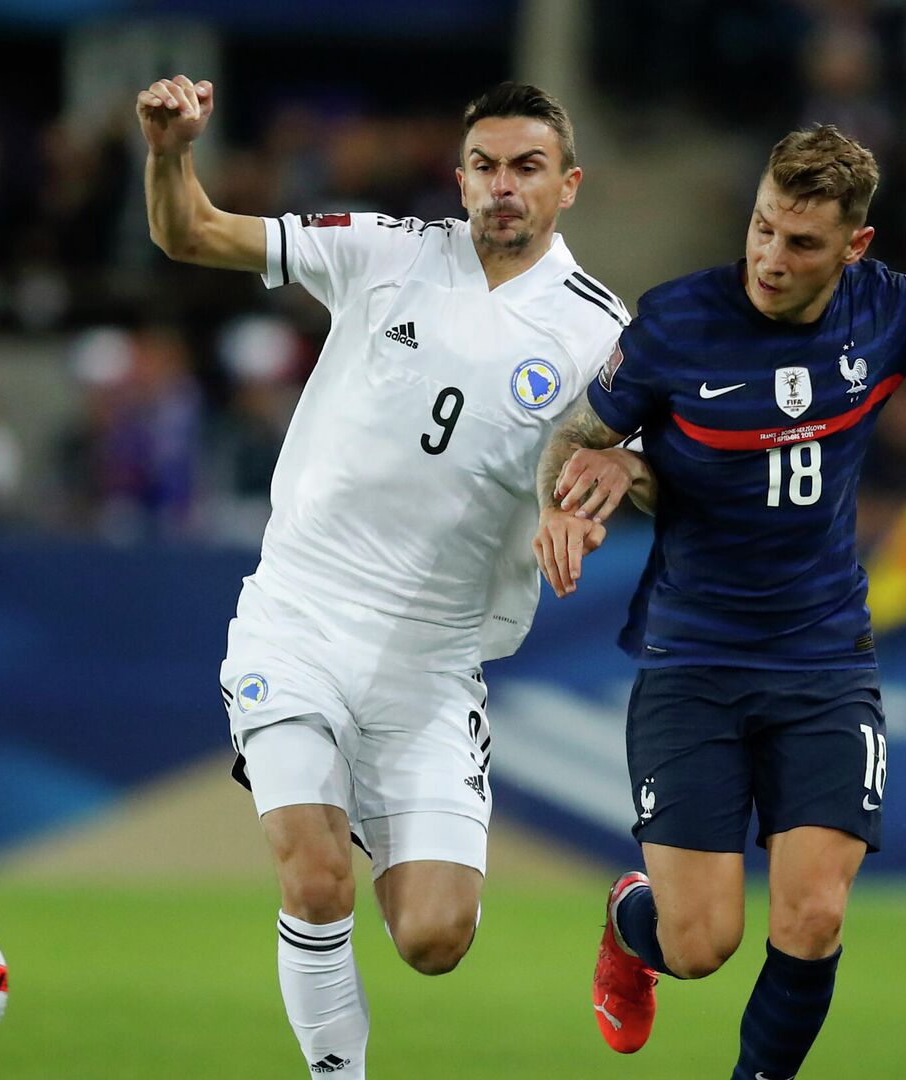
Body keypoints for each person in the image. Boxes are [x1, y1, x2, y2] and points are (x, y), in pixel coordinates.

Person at [532, 126, 906, 1079]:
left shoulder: (887, 312)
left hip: (824, 659)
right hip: (694, 659)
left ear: (855, 248)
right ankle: (634, 926)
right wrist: (573, 501)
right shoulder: (674, 323)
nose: (769, 259)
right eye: (761, 228)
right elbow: (576, 435)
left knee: (815, 912)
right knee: (700, 942)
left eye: (802, 244)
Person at [137, 76, 627, 1078]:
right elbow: (192, 235)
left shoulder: (600, 332)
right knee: (315, 879)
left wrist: (613, 471)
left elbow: (660, 467)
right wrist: (169, 151)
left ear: (567, 185)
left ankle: (365, 791)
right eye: (485, 166)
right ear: (459, 176)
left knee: (435, 938)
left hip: (435, 659)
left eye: (527, 168)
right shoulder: (386, 250)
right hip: (300, 618)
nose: (503, 186)